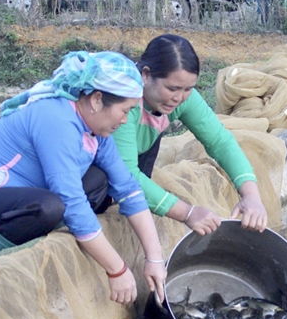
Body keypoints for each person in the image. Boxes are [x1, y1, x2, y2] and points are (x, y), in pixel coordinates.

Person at [0, 51, 167, 305]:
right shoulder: (57, 119)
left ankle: (39, 235)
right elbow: (71, 200)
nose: (125, 119)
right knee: (50, 207)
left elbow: (128, 188)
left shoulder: (96, 131)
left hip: (15, 200)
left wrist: (154, 258)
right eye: (125, 110)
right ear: (97, 99)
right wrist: (117, 269)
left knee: (100, 180)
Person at [112, 34, 268, 236]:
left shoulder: (179, 99)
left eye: (188, 89)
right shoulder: (121, 99)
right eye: (172, 88)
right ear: (145, 75)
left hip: (135, 155)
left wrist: (251, 195)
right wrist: (187, 213)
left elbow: (219, 141)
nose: (178, 98)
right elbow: (126, 176)